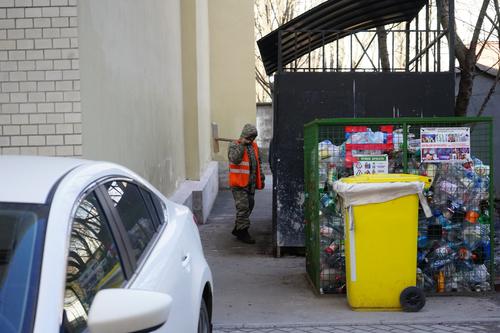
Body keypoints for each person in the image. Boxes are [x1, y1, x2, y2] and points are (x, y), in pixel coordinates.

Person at [228, 124, 265, 244]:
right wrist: (242, 145)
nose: (251, 140)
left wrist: (262, 178)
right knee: (243, 208)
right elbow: (234, 159)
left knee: (250, 204)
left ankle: (238, 228)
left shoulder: (254, 146)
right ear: (244, 135)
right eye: (249, 137)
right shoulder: (234, 145)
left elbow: (258, 163)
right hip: (239, 184)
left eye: (253, 138)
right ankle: (243, 232)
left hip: (250, 184)